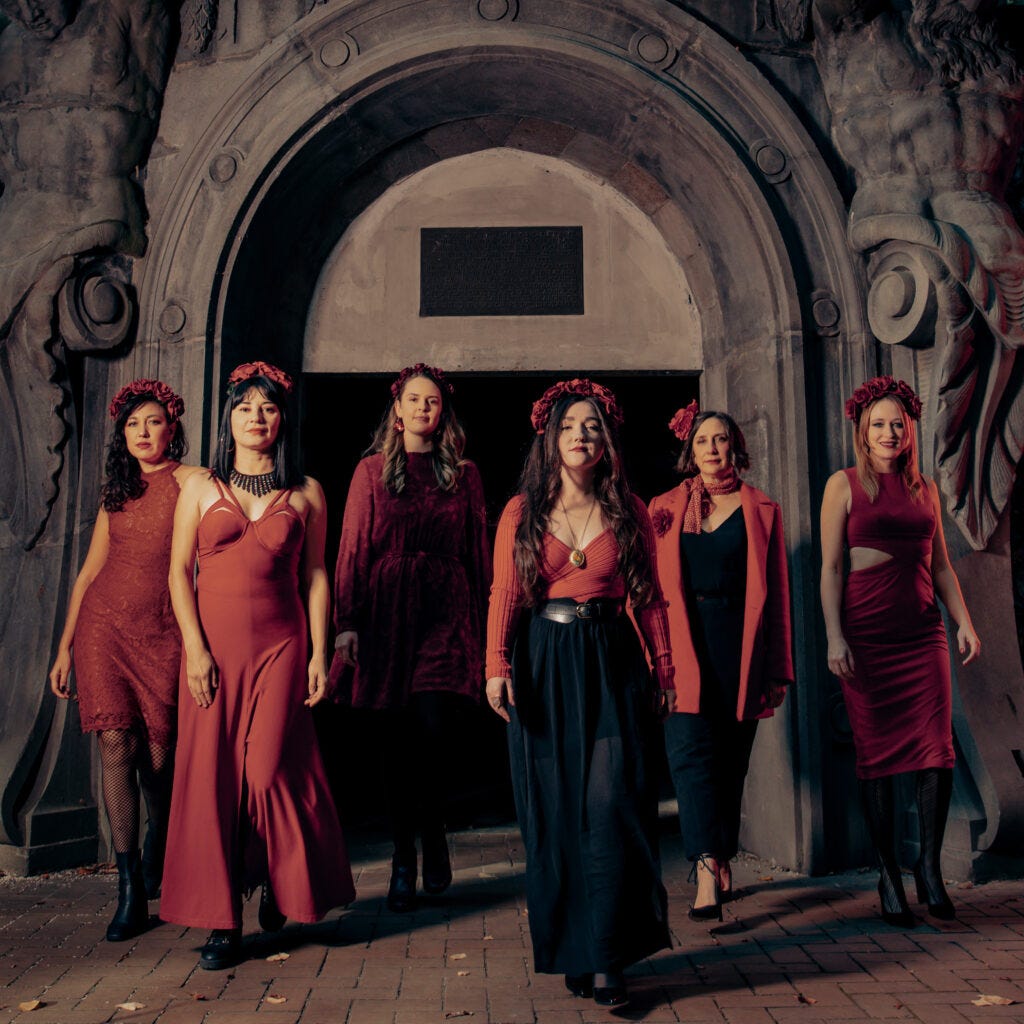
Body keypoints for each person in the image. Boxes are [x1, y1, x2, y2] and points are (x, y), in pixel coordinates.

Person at [486, 378, 675, 1009]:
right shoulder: (521, 512)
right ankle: (579, 949)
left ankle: (609, 957)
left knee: (610, 804)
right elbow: (505, 594)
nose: (580, 435)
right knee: (558, 811)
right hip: (544, 660)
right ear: (550, 438)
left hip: (612, 658)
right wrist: (496, 665)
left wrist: (665, 671)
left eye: (592, 425)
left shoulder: (630, 510)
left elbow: (650, 599)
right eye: (568, 426)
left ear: (606, 441)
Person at [161, 360, 354, 969]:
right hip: (213, 649)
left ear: (281, 420)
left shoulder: (308, 492)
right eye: (245, 407)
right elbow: (178, 573)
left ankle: (273, 871)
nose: (256, 417)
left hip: (282, 646)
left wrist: (321, 651)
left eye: (267, 407)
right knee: (214, 777)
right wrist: (194, 648)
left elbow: (316, 575)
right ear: (229, 419)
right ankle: (224, 924)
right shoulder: (199, 487)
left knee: (268, 770)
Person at [330, 363, 490, 913]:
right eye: (415, 399)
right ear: (397, 409)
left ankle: (435, 828)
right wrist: (347, 623)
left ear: (442, 412)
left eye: (433, 401)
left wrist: (487, 624)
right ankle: (404, 857)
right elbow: (353, 547)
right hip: (387, 615)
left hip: (446, 610)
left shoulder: (464, 474)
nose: (424, 407)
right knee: (397, 742)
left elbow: (478, 550)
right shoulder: (371, 471)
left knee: (433, 728)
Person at [820, 376, 981, 925]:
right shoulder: (842, 485)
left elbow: (941, 566)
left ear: (910, 429)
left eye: (898, 424)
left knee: (937, 750)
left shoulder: (925, 488)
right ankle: (888, 873)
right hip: (866, 637)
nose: (889, 432)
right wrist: (834, 636)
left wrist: (965, 623)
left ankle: (927, 867)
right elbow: (831, 568)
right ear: (863, 432)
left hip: (922, 635)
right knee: (877, 755)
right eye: (879, 424)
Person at [49, 378, 197, 942]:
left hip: (163, 633)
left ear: (171, 427)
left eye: (153, 421)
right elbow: (90, 572)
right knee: (116, 744)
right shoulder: (118, 489)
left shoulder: (191, 482)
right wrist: (64, 646)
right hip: (103, 629)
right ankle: (129, 888)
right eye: (133, 424)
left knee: (159, 763)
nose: (142, 432)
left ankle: (159, 838)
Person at [648, 402, 793, 921]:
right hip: (683, 645)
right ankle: (706, 869)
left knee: (731, 763)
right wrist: (653, 656)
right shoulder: (663, 507)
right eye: (703, 440)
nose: (712, 448)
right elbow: (648, 590)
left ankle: (721, 853)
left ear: (735, 447)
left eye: (721, 438)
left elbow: (777, 595)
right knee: (690, 757)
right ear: (690, 450)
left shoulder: (761, 508)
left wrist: (779, 668)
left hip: (740, 646)